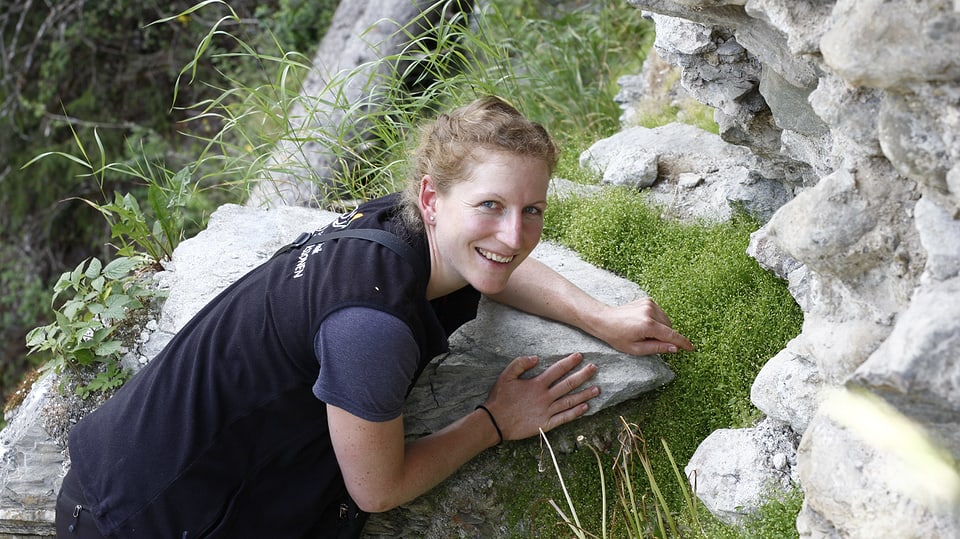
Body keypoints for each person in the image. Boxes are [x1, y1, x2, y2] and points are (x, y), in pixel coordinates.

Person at [55, 96, 693, 538]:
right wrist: (495, 421)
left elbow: (494, 262)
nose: (513, 231)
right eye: (491, 204)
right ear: (432, 197)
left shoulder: (401, 226)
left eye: (532, 209)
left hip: (123, 470)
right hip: (141, 517)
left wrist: (600, 317)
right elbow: (377, 489)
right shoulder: (372, 327)